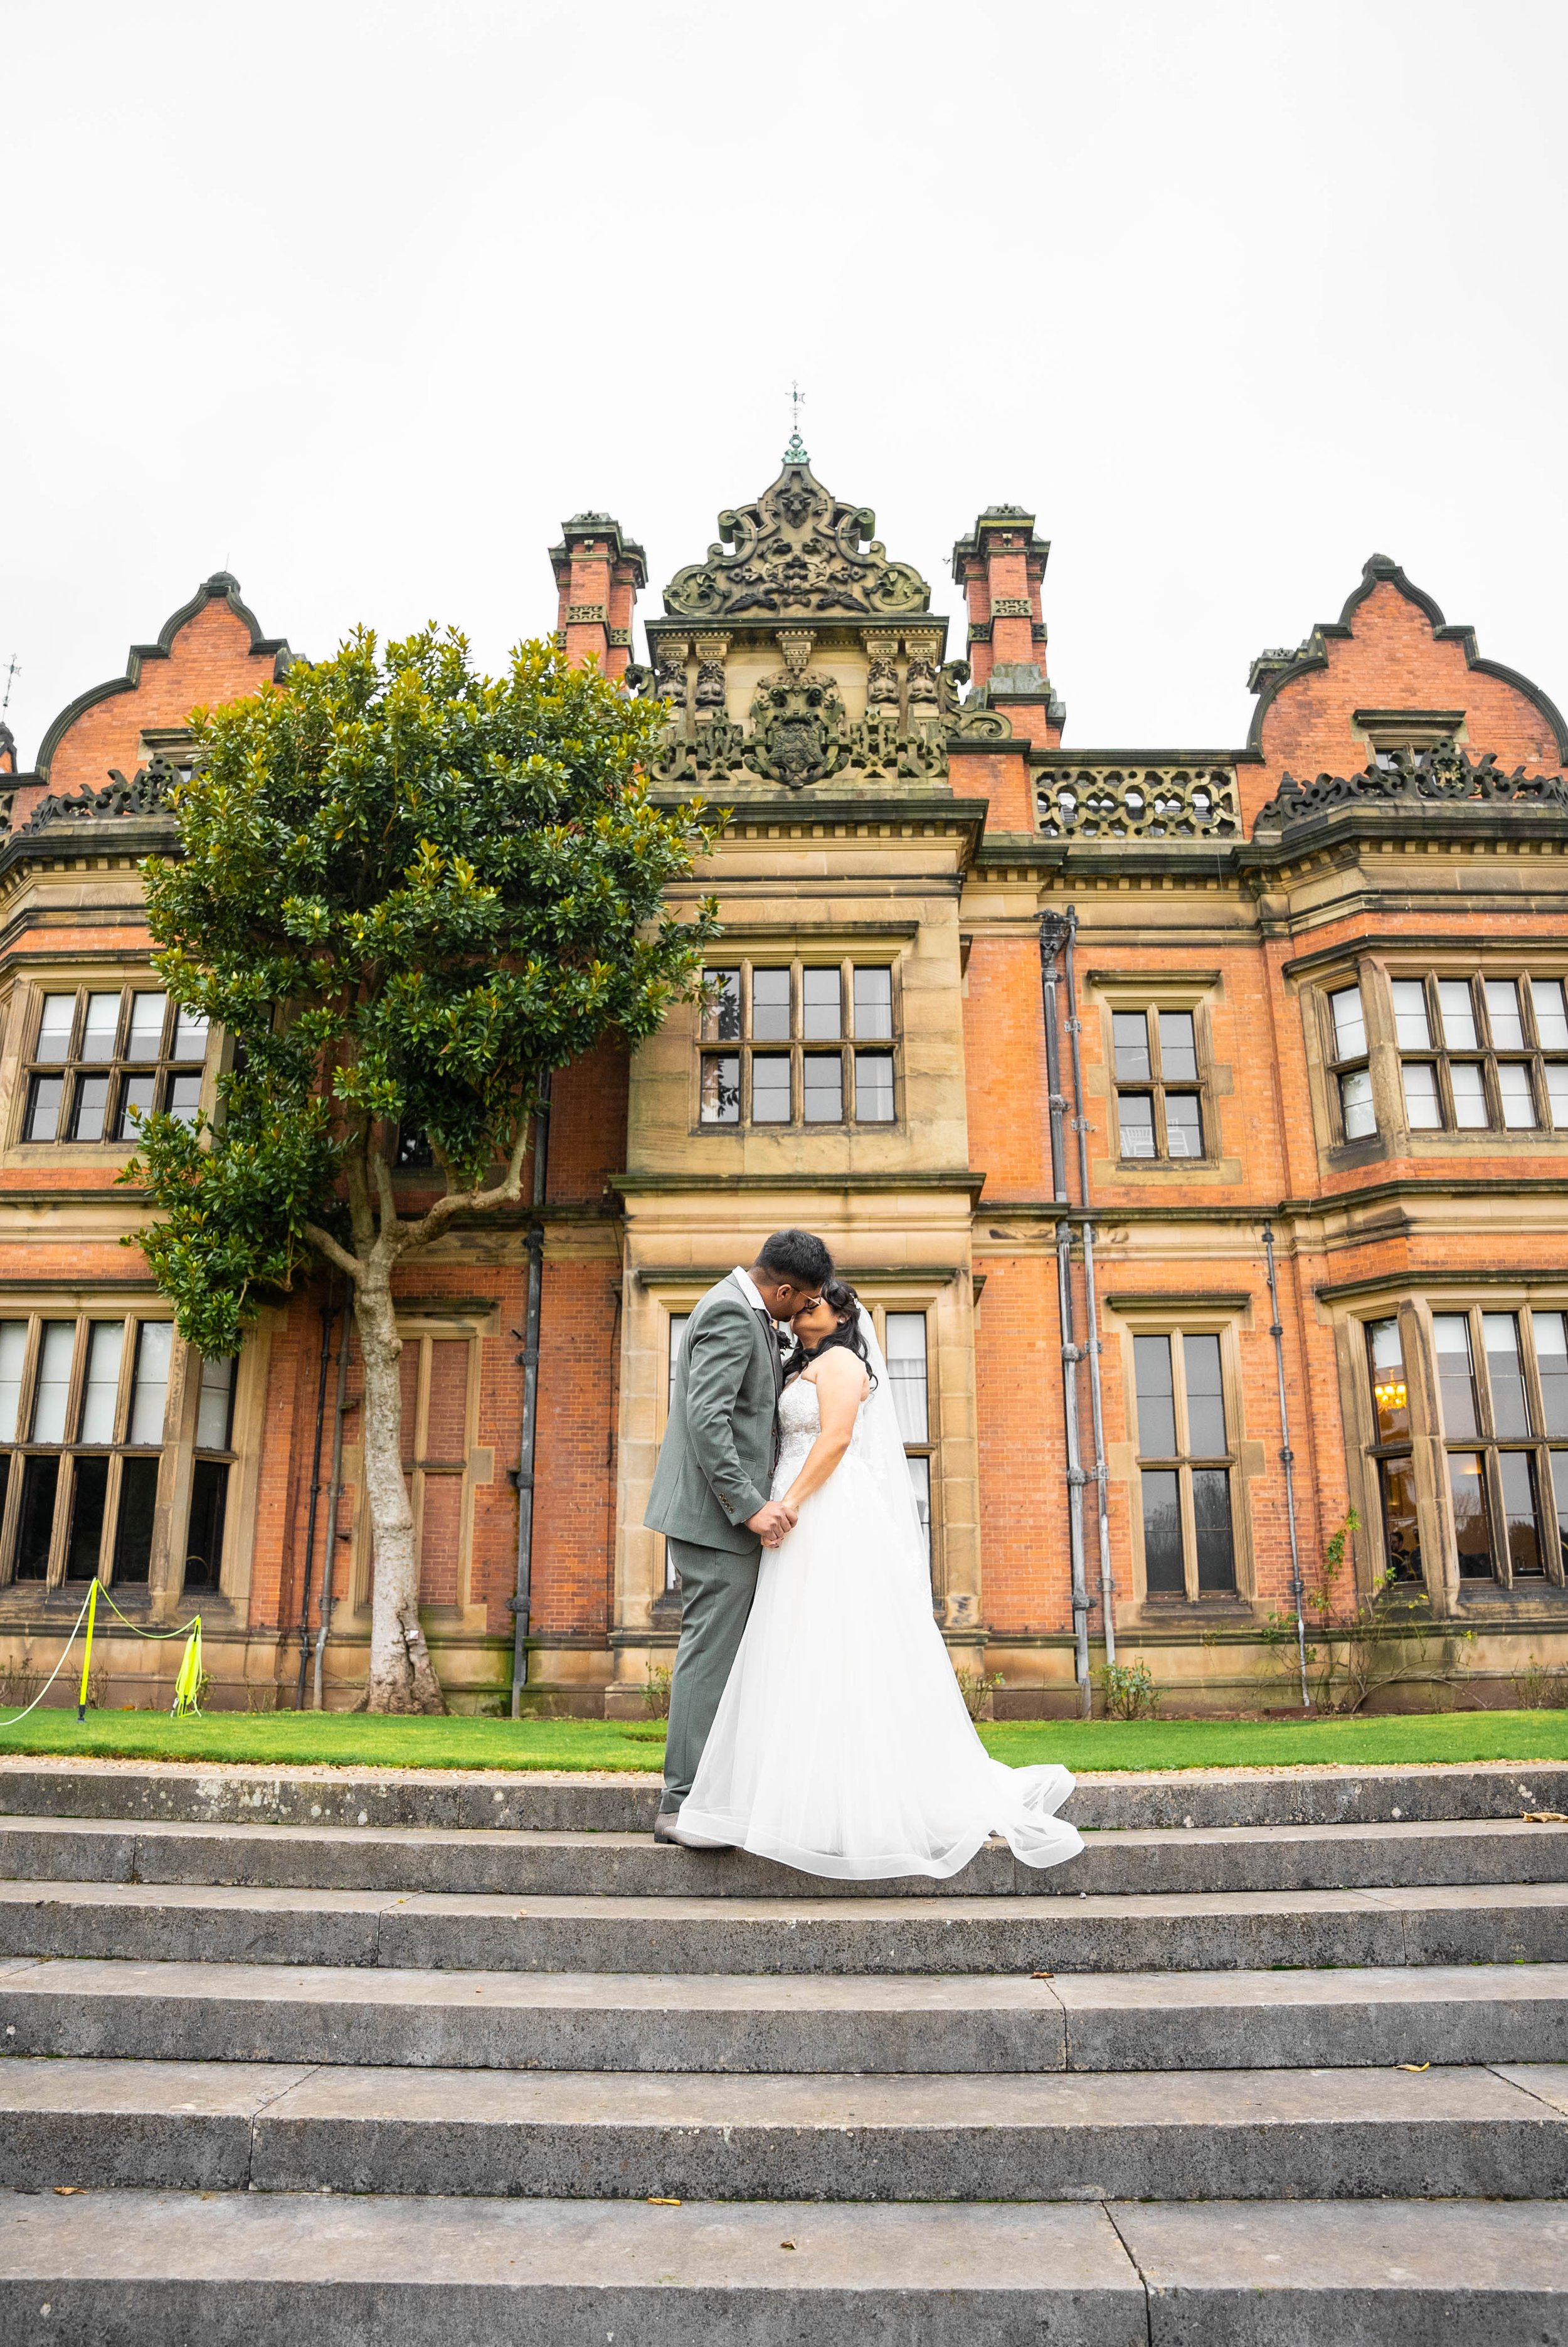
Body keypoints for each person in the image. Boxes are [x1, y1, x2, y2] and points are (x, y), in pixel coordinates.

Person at [675, 1279, 1083, 1879]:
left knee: (839, 1644)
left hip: (826, 1511)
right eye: (803, 1302)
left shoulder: (841, 1362)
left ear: (842, 1317)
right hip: (798, 1517)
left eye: (814, 1305)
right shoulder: (801, 1367)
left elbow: (836, 1439)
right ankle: (800, 1791)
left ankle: (852, 1801)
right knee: (795, 1650)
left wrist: (786, 1504)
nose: (803, 1312)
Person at [644, 1227, 835, 1848]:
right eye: (802, 1299)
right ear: (782, 1286)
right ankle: (680, 1805)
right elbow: (707, 1420)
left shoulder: (744, 1309)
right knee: (710, 1656)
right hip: (716, 1522)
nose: (802, 1310)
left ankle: (715, 1793)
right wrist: (750, 1508)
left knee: (727, 1659)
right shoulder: (729, 1312)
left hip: (719, 1521)